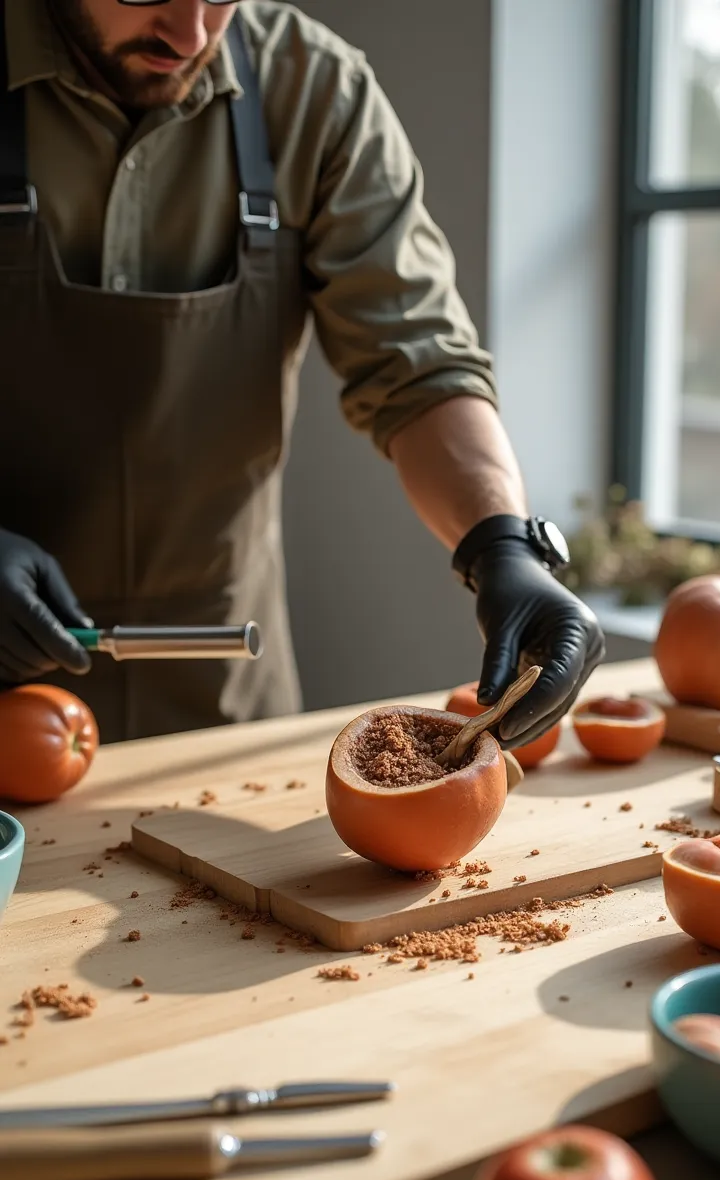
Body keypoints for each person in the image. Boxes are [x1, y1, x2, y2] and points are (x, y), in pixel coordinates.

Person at [0, 0, 604, 744]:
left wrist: (503, 547)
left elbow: (418, 362)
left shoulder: (315, 89)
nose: (191, 34)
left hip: (226, 701)